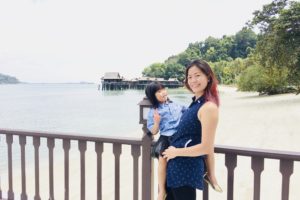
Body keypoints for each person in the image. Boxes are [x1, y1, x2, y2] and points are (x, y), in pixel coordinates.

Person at [162, 59, 221, 200]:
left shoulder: (208, 107)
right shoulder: (195, 104)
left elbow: (206, 147)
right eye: (189, 77)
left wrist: (176, 152)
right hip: (175, 169)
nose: (193, 80)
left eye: (197, 75)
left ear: (208, 77)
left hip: (185, 170)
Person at [145, 81, 186, 200]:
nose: (163, 92)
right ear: (153, 96)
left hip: (179, 137)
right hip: (165, 138)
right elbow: (153, 132)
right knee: (162, 160)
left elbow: (190, 113)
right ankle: (162, 191)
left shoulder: (177, 105)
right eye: (158, 91)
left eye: (163, 89)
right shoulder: (154, 111)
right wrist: (157, 122)